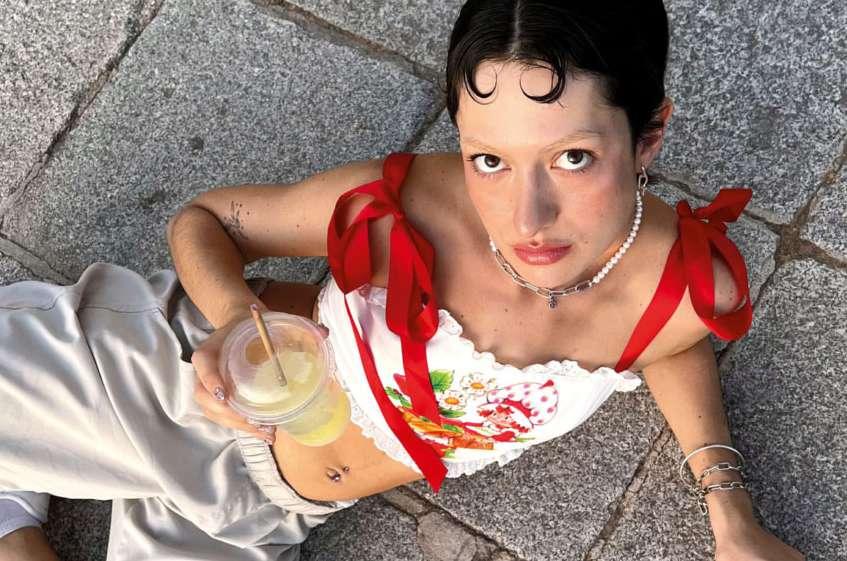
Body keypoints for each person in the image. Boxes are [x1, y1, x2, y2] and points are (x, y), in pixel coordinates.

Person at [0, 1, 805, 560]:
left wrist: (729, 512)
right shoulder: (402, 206)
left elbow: (667, 338)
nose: (525, 216)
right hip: (157, 377)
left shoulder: (690, 287)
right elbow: (207, 220)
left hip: (265, 512)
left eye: (572, 157)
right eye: (488, 159)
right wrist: (235, 318)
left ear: (649, 135)